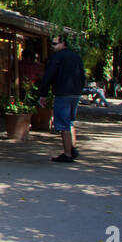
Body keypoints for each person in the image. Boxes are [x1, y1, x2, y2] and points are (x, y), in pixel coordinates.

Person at [37, 34, 85, 163]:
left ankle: (67, 154)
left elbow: (49, 76)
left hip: (63, 93)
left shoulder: (57, 58)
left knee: (63, 124)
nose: (53, 47)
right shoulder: (76, 57)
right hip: (75, 93)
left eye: (54, 44)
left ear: (63, 43)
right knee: (70, 121)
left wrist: (43, 94)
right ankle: (73, 148)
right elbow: (82, 75)